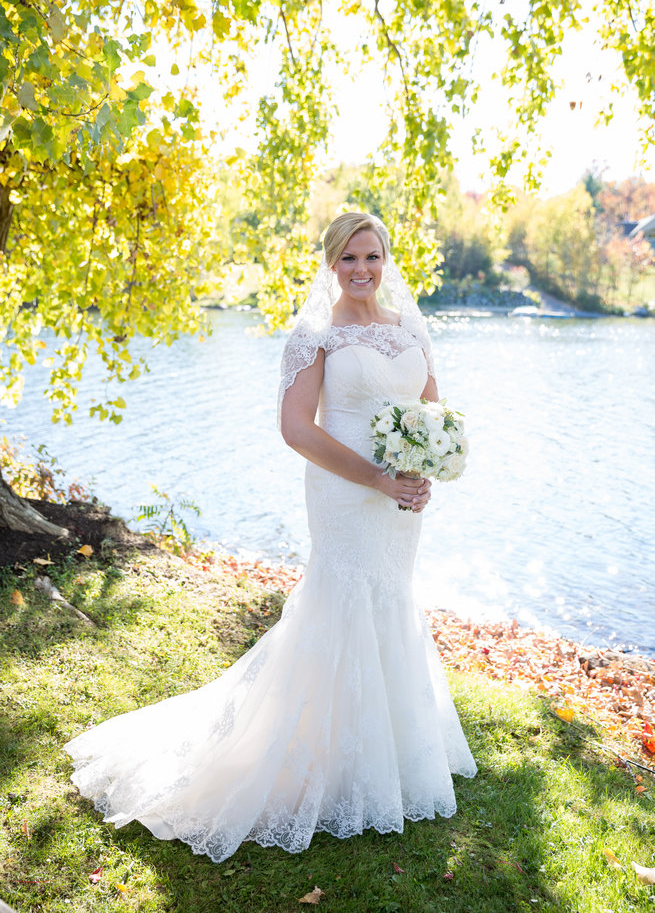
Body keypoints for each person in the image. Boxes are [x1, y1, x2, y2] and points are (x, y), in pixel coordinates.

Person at [64, 212, 476, 864]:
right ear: (331, 264)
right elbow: (296, 428)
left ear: (385, 258)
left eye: (371, 256)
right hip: (346, 491)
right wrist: (374, 476)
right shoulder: (316, 334)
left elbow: (431, 412)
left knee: (390, 600)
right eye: (348, 259)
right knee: (341, 602)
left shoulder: (408, 327)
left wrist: (421, 474)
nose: (361, 269)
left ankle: (384, 756)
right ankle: (312, 759)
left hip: (399, 498)